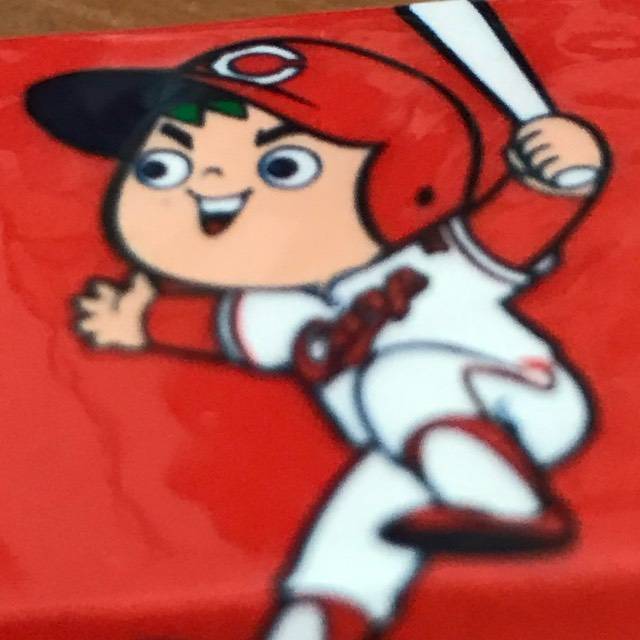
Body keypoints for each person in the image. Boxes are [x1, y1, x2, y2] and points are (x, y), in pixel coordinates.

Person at [27, 35, 609, 640]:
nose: (209, 186)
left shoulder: (433, 264)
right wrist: (137, 320)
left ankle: (513, 506)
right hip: (408, 447)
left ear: (405, 181)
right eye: (161, 168)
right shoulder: (281, 311)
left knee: (401, 378)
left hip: (520, 401)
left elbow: (519, 225)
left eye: (282, 167)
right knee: (354, 528)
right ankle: (317, 620)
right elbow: (216, 326)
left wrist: (560, 174)